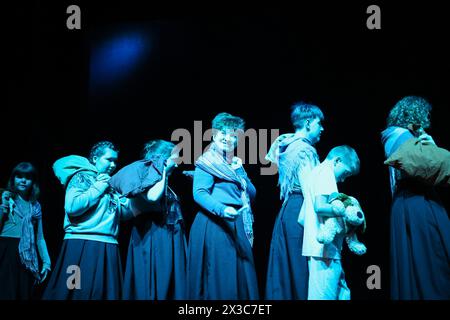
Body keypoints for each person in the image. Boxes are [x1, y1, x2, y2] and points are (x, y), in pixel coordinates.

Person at [43, 141, 142, 300]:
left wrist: (139, 195)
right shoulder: (82, 176)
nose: (113, 164)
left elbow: (122, 213)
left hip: (108, 245)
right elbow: (73, 207)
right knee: (73, 292)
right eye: (109, 159)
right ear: (95, 158)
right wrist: (98, 187)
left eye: (115, 161)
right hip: (81, 244)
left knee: (103, 293)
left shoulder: (109, 182)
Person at [381, 96, 450, 300]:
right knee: (433, 262)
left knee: (421, 262)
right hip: (417, 202)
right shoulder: (400, 136)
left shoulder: (399, 136)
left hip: (411, 201)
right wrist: (434, 149)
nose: (427, 119)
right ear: (414, 113)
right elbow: (427, 166)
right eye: (425, 114)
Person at [187, 112, 259, 299]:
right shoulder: (208, 162)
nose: (229, 139)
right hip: (215, 223)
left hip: (235, 222)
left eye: (234, 136)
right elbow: (199, 193)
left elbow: (252, 194)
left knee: (240, 277)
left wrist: (240, 171)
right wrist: (222, 209)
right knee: (221, 277)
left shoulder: (232, 166)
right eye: (224, 134)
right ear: (213, 135)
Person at [265, 102, 324, 299]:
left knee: (287, 269)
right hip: (301, 209)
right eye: (319, 124)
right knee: (300, 270)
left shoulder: (286, 144)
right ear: (308, 123)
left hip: (287, 210)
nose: (322, 129)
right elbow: (310, 189)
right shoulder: (305, 150)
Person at [117, 140, 187, 300]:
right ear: (162, 159)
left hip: (169, 238)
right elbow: (153, 197)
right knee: (153, 283)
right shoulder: (143, 178)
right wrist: (162, 170)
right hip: (153, 238)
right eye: (174, 160)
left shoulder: (164, 182)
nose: (176, 165)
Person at [299, 145, 360, 300]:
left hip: (323, 249)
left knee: (343, 294)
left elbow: (301, 218)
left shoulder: (315, 173)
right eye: (345, 172)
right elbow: (319, 206)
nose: (344, 179)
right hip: (324, 251)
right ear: (337, 160)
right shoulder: (326, 173)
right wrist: (346, 211)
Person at [0, 162, 51, 299]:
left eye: (27, 177)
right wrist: (3, 206)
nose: (23, 180)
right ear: (13, 179)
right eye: (19, 176)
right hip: (6, 250)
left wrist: (46, 261)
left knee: (24, 293)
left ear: (33, 181)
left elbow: (40, 237)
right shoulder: (5, 198)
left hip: (27, 254)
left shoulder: (35, 206)